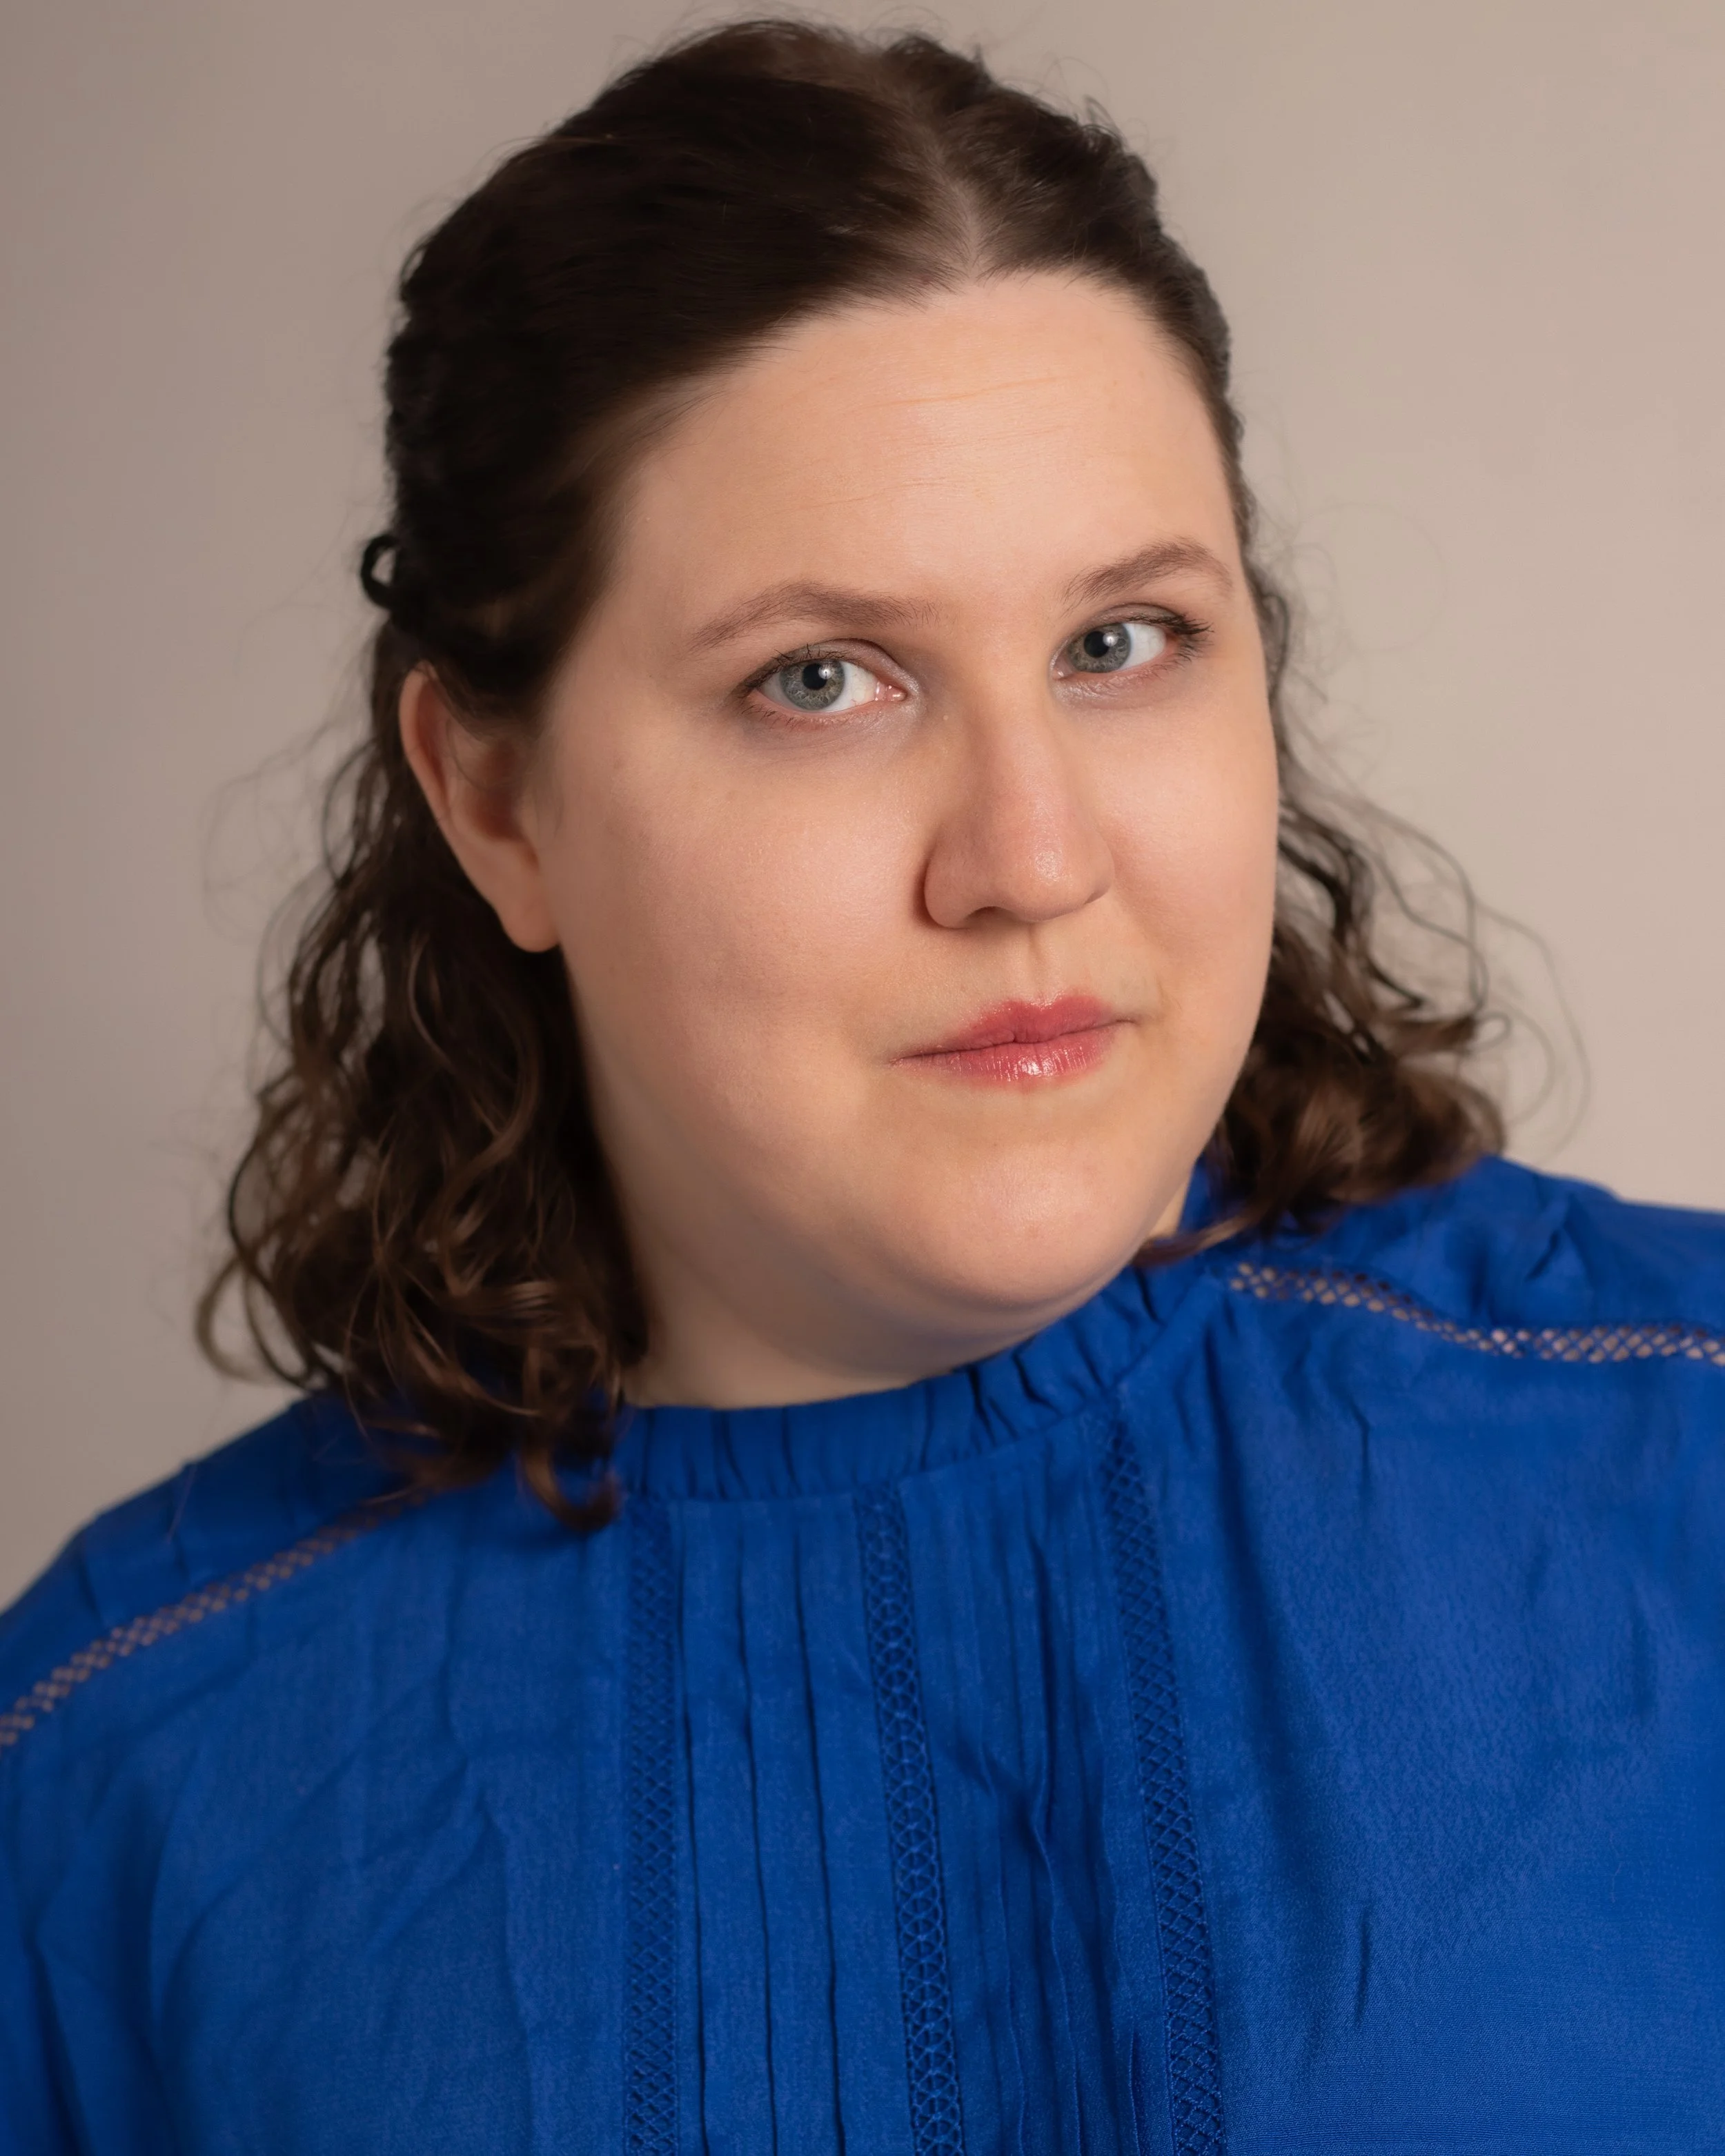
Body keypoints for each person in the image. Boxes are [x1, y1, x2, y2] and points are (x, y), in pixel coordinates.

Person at [3, 20, 1721, 2152]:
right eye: (821, 680)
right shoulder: (109, 1786)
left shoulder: (1686, 1447)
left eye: (1122, 643)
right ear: (496, 797)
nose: (1027, 855)